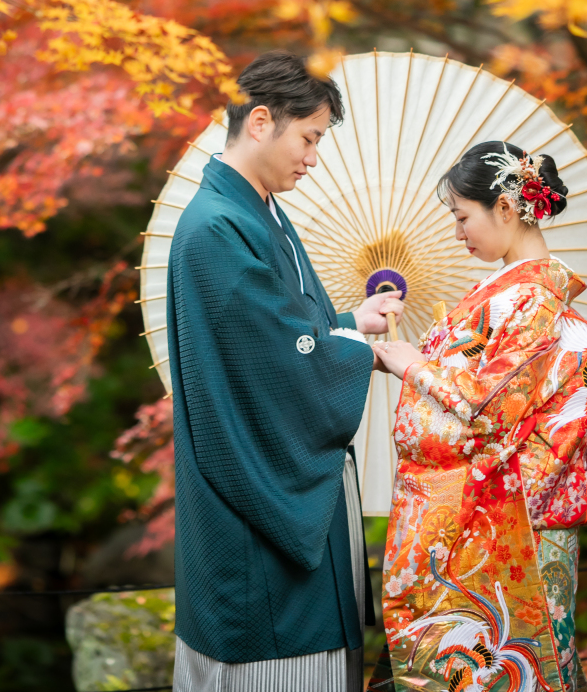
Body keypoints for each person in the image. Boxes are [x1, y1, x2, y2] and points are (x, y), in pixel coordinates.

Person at [167, 51, 406, 692]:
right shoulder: (217, 227)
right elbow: (273, 362)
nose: (313, 158)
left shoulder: (257, 212)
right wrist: (369, 355)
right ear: (261, 122)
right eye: (309, 137)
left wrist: (352, 322)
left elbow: (284, 331)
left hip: (291, 491)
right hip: (257, 516)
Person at [370, 141, 587, 692]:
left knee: (502, 667)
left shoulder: (530, 298)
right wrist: (408, 361)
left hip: (508, 522)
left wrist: (415, 369)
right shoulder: (516, 294)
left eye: (462, 217)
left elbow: (488, 409)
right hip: (508, 514)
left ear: (505, 207)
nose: (458, 233)